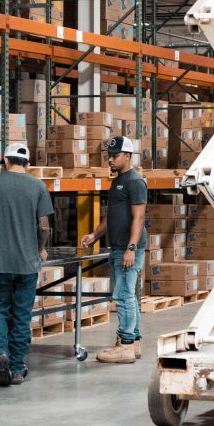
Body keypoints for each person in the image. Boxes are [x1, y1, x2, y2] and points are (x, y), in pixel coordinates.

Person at [0, 141, 53, 387]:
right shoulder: (38, 186)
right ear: (27, 163)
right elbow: (44, 225)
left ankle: (1, 353)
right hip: (27, 264)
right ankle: (17, 368)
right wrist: (39, 249)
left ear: (6, 161)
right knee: (21, 315)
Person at [82, 134, 149, 364]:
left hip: (128, 249)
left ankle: (126, 346)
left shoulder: (135, 181)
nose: (110, 159)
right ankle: (135, 342)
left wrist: (131, 248)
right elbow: (112, 217)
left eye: (114, 155)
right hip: (117, 247)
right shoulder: (117, 181)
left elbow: (139, 217)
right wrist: (94, 235)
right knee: (127, 296)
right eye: (108, 156)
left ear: (128, 156)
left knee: (123, 296)